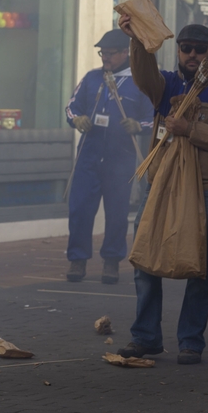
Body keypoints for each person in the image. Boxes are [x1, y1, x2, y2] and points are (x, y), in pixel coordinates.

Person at [115, 19, 208, 365]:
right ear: (179, 50)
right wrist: (138, 41)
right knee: (145, 260)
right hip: (160, 186)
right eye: (186, 48)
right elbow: (143, 75)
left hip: (204, 190)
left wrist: (191, 128)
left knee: (199, 268)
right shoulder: (166, 84)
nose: (192, 55)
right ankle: (145, 337)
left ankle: (191, 341)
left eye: (199, 49)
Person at [65, 29, 152, 284]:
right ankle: (77, 260)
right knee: (79, 209)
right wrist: (77, 120)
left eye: (110, 53)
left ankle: (111, 262)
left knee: (117, 212)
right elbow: (71, 106)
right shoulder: (92, 78)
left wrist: (139, 126)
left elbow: (154, 118)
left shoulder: (139, 83)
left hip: (120, 156)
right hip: (88, 154)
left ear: (125, 53)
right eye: (102, 53)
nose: (105, 58)